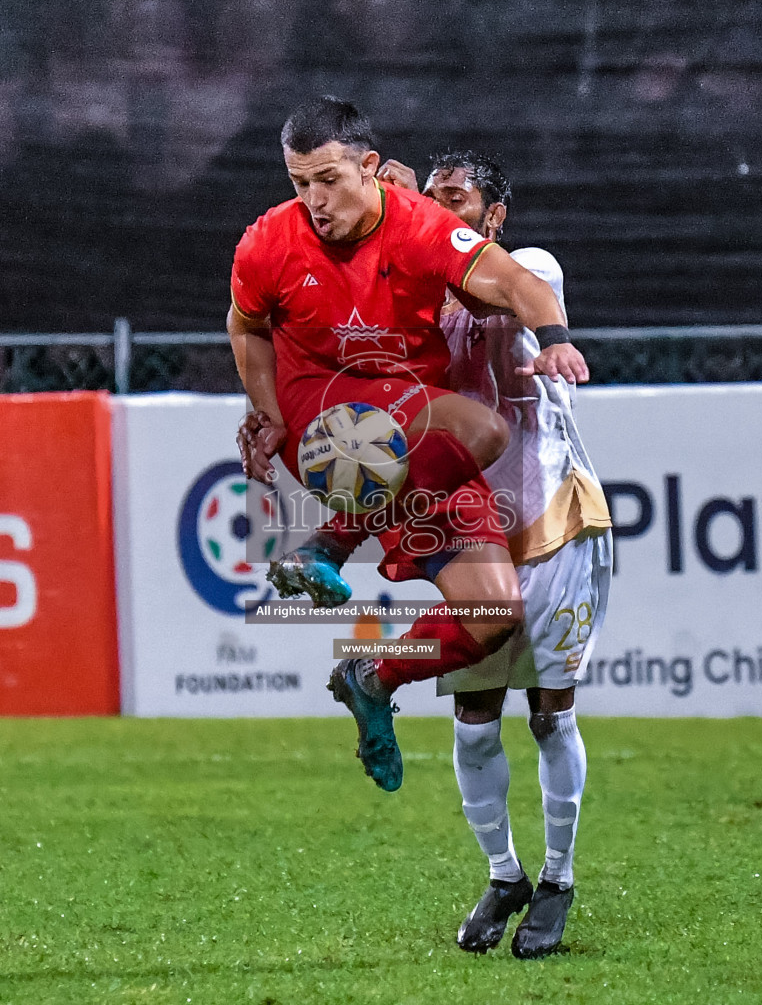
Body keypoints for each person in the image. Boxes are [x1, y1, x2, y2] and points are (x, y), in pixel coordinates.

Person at [248, 150, 611, 959]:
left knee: (551, 715)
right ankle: (502, 873)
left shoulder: (521, 267)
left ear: (493, 215)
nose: (443, 210)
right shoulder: (411, 279)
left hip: (549, 514)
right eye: (435, 199)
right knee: (475, 719)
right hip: (462, 509)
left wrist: (542, 331)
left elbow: (511, 304)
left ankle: (556, 881)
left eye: (460, 200)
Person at [226, 97, 588, 796]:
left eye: (328, 179)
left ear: (369, 166)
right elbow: (246, 327)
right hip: (326, 422)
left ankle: (373, 673)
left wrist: (557, 339)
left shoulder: (419, 229)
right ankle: (327, 543)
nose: (314, 200)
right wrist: (267, 411)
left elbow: (515, 281)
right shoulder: (268, 242)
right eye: (300, 183)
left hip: (414, 444)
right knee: (480, 429)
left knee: (492, 615)